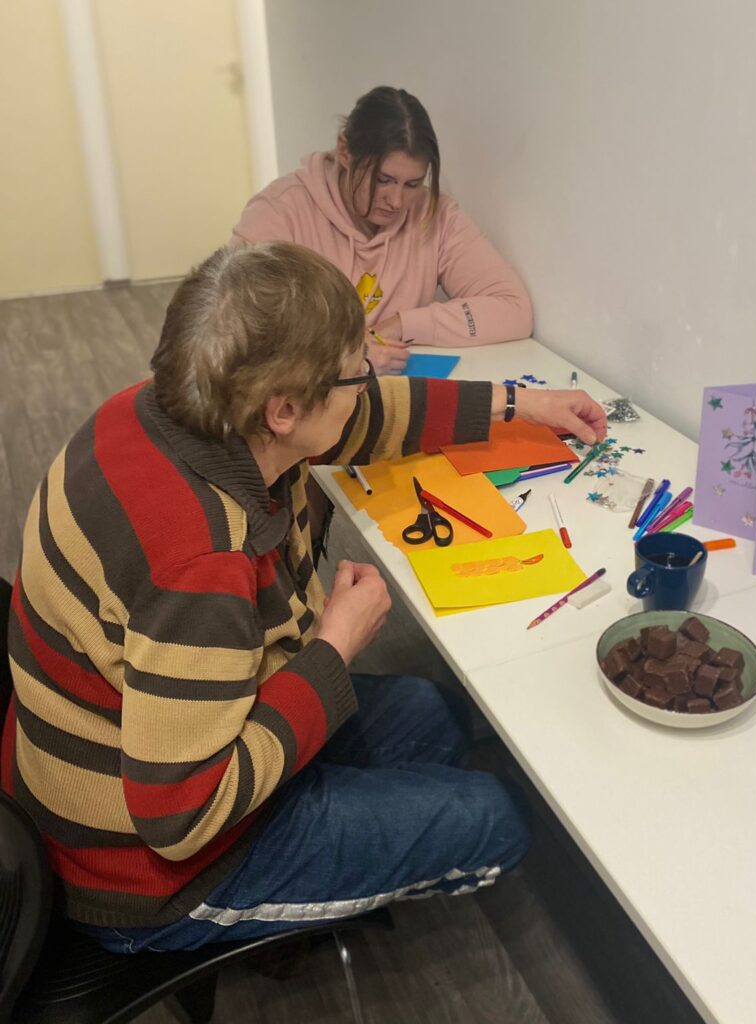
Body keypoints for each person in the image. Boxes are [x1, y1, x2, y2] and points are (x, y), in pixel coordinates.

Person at [1, 242, 606, 952]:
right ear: (284, 410)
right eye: (355, 372)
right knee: (502, 818)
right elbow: (181, 817)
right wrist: (333, 649)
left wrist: (520, 404)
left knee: (436, 717)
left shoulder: (179, 409)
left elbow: (369, 415)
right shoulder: (202, 559)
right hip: (148, 870)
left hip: (140, 742)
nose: (368, 382)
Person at [232, 85, 533, 376]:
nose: (397, 201)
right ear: (344, 152)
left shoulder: (434, 215)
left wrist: (400, 325)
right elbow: (237, 331)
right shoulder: (278, 212)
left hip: (392, 404)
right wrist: (346, 356)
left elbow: (513, 309)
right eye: (383, 179)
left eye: (412, 184)